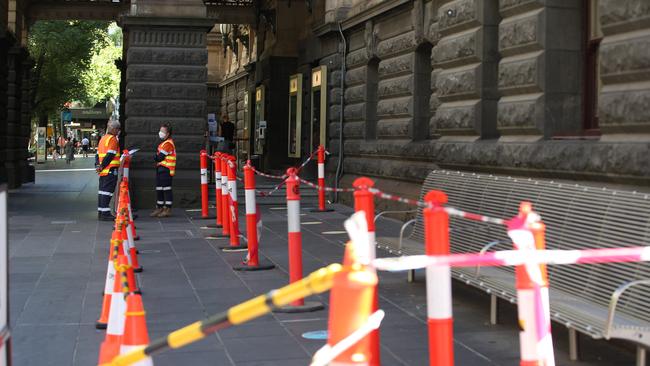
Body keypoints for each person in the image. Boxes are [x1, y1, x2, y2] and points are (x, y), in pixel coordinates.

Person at [95, 120, 121, 221]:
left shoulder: (103, 138)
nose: (118, 131)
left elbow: (97, 155)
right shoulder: (113, 139)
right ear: (114, 129)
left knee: (102, 191)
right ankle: (105, 213)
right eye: (118, 129)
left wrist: (98, 166)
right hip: (110, 169)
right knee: (108, 192)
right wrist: (102, 166)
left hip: (103, 171)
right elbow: (110, 155)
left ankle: (101, 212)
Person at [151, 123, 176, 218]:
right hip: (161, 169)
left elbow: (159, 157)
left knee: (166, 189)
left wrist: (156, 157)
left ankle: (167, 209)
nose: (160, 133)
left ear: (168, 133)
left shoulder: (168, 144)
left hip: (166, 169)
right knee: (159, 189)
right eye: (160, 130)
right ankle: (159, 207)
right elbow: (158, 157)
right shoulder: (163, 143)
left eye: (163, 131)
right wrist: (156, 157)